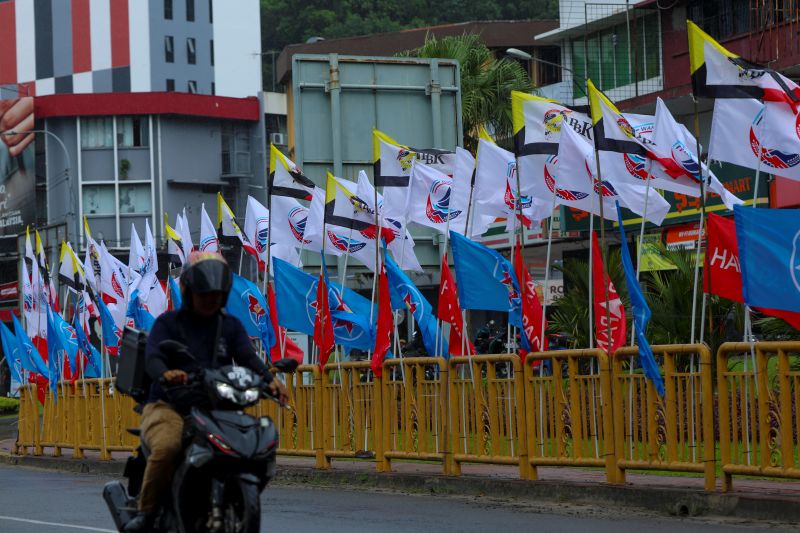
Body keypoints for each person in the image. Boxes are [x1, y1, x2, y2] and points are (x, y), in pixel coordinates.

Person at [125, 251, 289, 532]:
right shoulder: (168, 324)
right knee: (167, 447)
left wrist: (268, 379)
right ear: (189, 291)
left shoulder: (231, 326)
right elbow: (153, 358)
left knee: (257, 445)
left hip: (218, 406)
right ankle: (147, 512)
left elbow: (248, 357)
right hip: (169, 406)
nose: (210, 298)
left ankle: (232, 497)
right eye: (204, 293)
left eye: (216, 292)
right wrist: (166, 374)